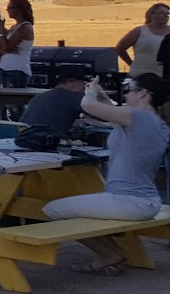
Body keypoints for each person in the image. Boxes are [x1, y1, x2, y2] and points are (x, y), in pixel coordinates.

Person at [43, 74, 170, 275]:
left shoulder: (136, 117)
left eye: (129, 89)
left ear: (143, 93)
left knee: (53, 209)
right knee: (79, 209)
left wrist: (90, 93)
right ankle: (113, 254)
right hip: (144, 201)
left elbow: (88, 106)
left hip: (129, 201)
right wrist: (100, 93)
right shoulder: (153, 122)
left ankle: (109, 254)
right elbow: (108, 109)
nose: (126, 94)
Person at [20, 73, 90, 134]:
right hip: (44, 141)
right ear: (72, 82)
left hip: (23, 138)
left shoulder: (38, 96)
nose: (84, 88)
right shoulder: (74, 97)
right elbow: (98, 113)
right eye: (83, 84)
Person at [115, 4, 170, 81]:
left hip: (166, 78)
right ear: (151, 15)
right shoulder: (139, 31)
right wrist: (131, 64)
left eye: (167, 14)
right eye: (162, 13)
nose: (166, 16)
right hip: (141, 77)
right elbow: (120, 48)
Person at [0, 0, 36, 88]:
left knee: (13, 101)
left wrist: (0, 30)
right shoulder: (15, 27)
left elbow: (6, 46)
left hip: (16, 70)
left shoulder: (24, 28)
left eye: (10, 7)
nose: (7, 9)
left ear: (20, 10)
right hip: (7, 68)